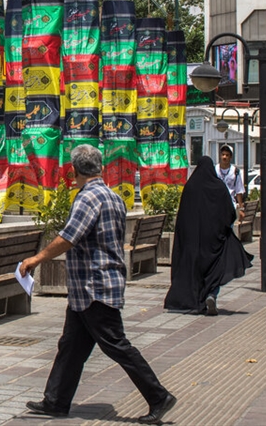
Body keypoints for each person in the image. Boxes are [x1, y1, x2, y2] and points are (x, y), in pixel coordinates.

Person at [19, 144, 177, 423]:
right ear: (99, 167)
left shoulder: (88, 198)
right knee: (71, 346)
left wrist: (37, 258)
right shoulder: (113, 197)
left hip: (95, 287)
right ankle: (55, 401)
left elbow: (69, 237)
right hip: (91, 288)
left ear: (74, 170)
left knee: (116, 345)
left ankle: (158, 396)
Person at [164, 155, 253, 315]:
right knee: (215, 266)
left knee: (195, 269)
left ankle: (195, 299)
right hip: (213, 240)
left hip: (193, 241)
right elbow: (229, 213)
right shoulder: (218, 187)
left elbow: (182, 216)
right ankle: (211, 294)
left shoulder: (190, 187)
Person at [216, 144, 246, 221]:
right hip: (216, 205)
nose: (224, 157)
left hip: (230, 205)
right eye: (223, 155)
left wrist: (241, 209)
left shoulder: (235, 171)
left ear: (230, 157)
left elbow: (239, 191)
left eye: (227, 155)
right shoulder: (215, 169)